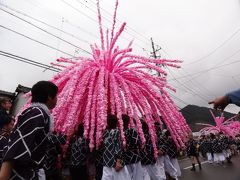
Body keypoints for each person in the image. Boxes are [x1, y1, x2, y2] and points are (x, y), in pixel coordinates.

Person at [0, 80, 58, 180]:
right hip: (20, 174)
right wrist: (3, 176)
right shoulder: (36, 113)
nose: (57, 99)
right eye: (56, 95)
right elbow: (17, 143)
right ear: (49, 96)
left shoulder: (38, 112)